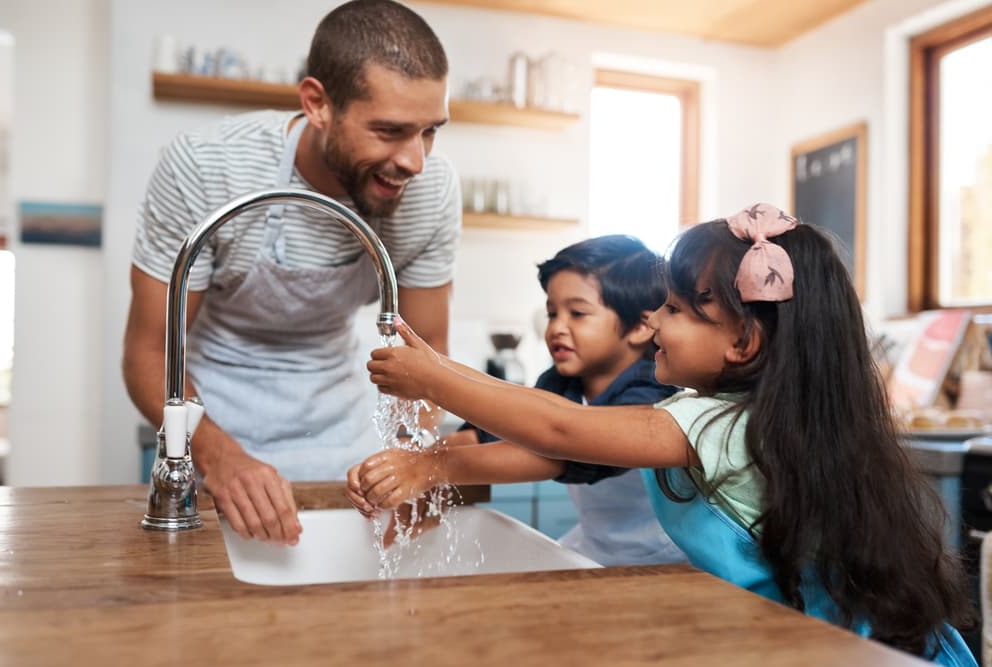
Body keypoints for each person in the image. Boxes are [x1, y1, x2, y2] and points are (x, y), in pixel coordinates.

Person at [356, 204, 978, 665]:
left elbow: (555, 429)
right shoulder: (733, 411)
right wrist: (433, 437)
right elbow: (542, 415)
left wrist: (435, 377)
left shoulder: (707, 421)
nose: (656, 319)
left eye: (677, 309)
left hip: (850, 647)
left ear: (742, 341)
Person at [122, 0, 460, 547]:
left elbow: (429, 351)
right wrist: (216, 457)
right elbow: (149, 354)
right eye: (391, 130)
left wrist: (409, 456)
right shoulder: (207, 168)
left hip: (341, 434)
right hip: (213, 423)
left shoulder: (430, 192)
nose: (414, 161)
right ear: (317, 103)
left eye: (429, 132)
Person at [348, 235, 686, 566]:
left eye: (577, 314)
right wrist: (401, 465)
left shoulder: (652, 391)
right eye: (553, 313)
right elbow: (491, 432)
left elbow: (557, 450)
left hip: (666, 561)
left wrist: (429, 466)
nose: (556, 328)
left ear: (643, 326)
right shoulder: (562, 381)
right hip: (595, 548)